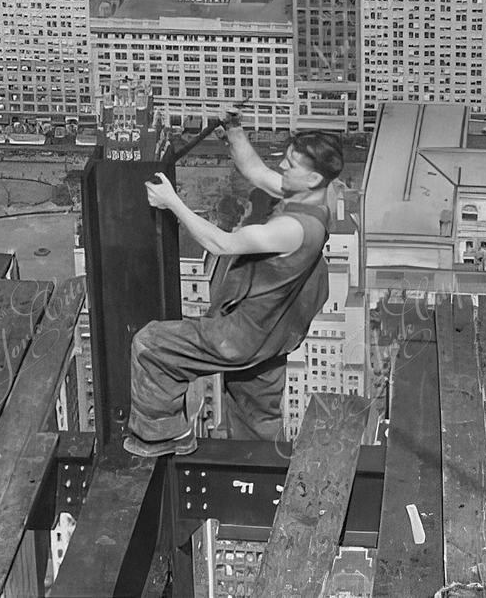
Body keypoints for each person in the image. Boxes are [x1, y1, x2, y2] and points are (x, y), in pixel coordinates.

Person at [123, 116, 343, 457]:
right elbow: (254, 171)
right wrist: (235, 130)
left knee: (151, 347)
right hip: (274, 335)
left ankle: (162, 436)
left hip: (244, 332)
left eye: (291, 163)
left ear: (313, 177)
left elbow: (221, 244)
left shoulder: (293, 229)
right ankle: (256, 470)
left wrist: (173, 202)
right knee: (255, 413)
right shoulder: (316, 198)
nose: (282, 165)